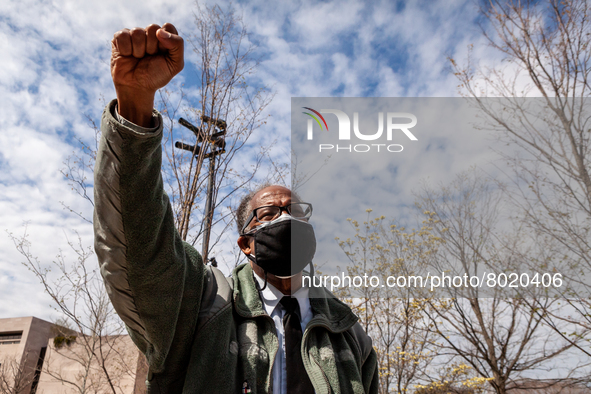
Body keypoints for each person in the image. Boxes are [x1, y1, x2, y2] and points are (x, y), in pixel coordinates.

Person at [93, 22, 379, 394]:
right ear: (246, 244)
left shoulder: (349, 332)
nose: (287, 218)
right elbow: (138, 247)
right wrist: (135, 106)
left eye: (296, 210)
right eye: (269, 213)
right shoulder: (202, 305)